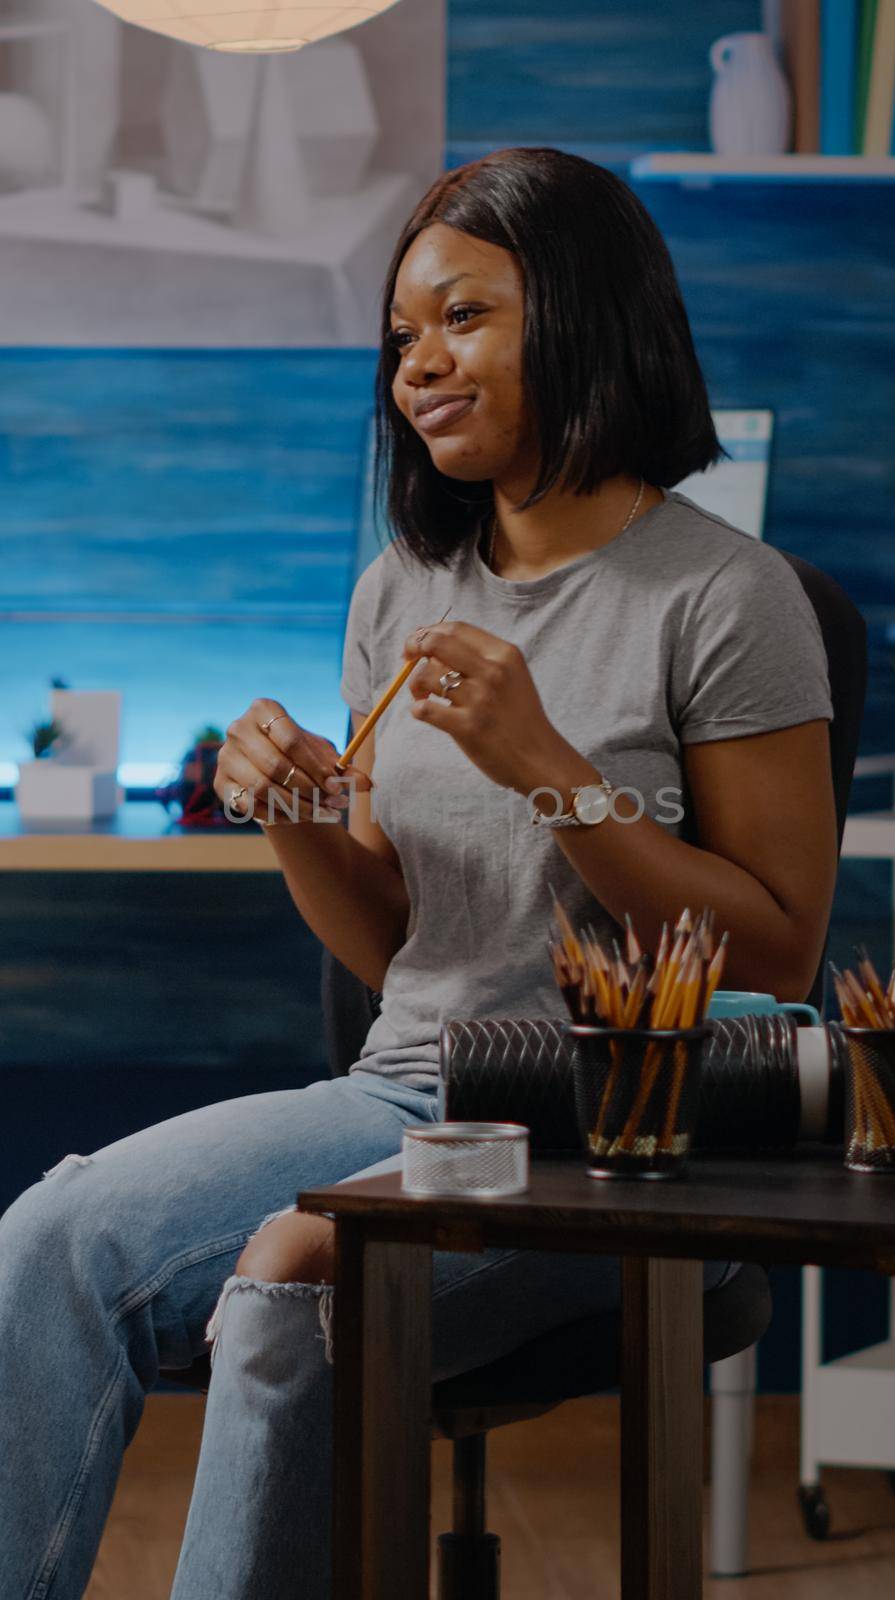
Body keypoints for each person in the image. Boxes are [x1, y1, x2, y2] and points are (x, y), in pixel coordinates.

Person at [0, 148, 835, 1600]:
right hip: (409, 1092)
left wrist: (554, 772)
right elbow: (400, 952)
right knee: (50, 1236)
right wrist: (293, 817)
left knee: (297, 1267)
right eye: (400, 337)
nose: (417, 367)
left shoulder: (727, 596)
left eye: (462, 318)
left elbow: (774, 964)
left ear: (580, 315)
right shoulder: (402, 588)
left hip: (632, 1139)